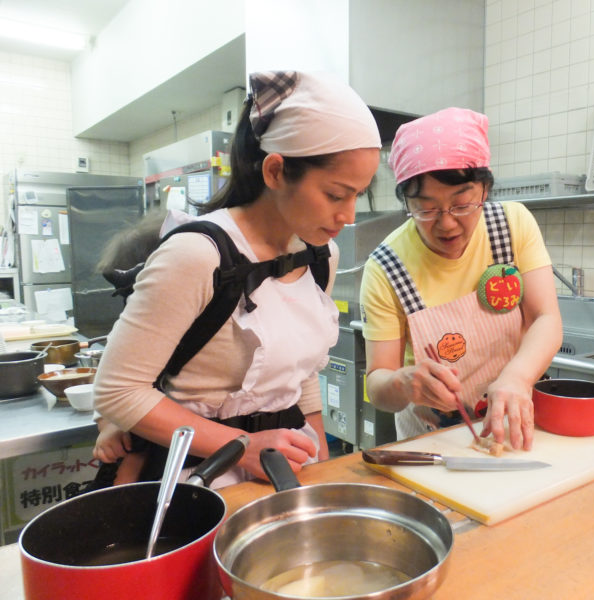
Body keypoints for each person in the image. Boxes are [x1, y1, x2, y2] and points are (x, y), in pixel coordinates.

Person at [92, 70, 381, 488]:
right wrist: (242, 446)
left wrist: (318, 465)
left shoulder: (321, 256)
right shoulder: (199, 254)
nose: (349, 215)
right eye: (336, 194)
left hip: (282, 470)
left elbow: (299, 374)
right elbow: (119, 391)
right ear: (276, 171)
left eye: (359, 194)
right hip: (196, 480)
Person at [359, 107, 562, 451]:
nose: (447, 223)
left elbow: (546, 317)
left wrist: (516, 377)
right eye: (426, 208)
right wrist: (404, 384)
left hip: (515, 418)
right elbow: (377, 384)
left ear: (484, 188)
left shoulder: (511, 225)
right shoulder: (386, 267)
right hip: (433, 438)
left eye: (462, 203)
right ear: (405, 201)